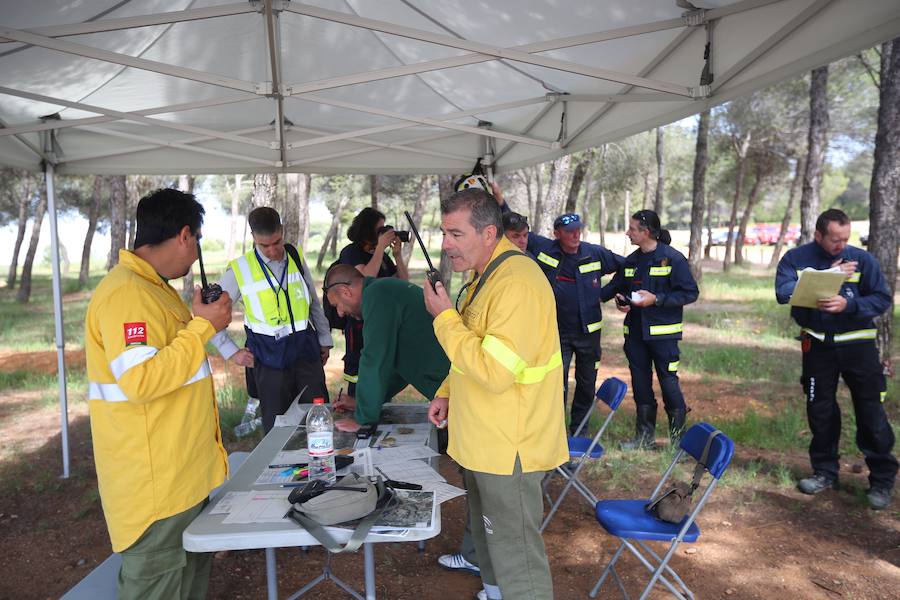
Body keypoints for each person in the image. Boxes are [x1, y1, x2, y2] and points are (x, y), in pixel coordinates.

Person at [85, 188, 231, 599]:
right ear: (185, 235)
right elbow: (142, 380)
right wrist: (202, 328)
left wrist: (199, 320)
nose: (196, 252)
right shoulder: (128, 293)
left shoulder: (154, 288)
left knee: (188, 586)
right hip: (155, 490)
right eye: (198, 240)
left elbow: (172, 360)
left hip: (181, 479)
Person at [424, 187, 568, 600]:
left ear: (489, 233)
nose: (446, 244)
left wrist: (443, 317)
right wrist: (447, 391)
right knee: (489, 541)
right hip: (482, 440)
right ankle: (493, 592)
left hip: (510, 446)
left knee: (516, 554)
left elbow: (494, 371)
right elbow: (475, 346)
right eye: (443, 233)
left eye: (455, 234)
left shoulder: (516, 282)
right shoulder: (484, 276)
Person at [775, 208, 895, 510]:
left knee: (871, 414)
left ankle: (881, 479)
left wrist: (848, 303)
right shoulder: (796, 259)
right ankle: (826, 472)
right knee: (820, 412)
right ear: (818, 235)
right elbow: (783, 291)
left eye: (845, 238)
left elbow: (881, 298)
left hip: (859, 347)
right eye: (834, 239)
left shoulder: (863, 260)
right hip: (818, 347)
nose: (841, 245)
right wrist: (828, 279)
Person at [212, 207, 332, 432]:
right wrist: (231, 351)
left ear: (282, 231)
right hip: (269, 358)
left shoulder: (294, 256)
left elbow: (312, 302)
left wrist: (324, 339)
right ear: (254, 239)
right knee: (278, 427)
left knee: (317, 417)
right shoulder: (240, 269)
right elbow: (209, 317)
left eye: (276, 242)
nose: (272, 250)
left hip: (305, 350)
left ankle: (321, 461)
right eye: (264, 245)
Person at [601, 210, 699, 450]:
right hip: (635, 336)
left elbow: (689, 293)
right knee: (641, 385)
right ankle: (644, 439)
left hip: (664, 338)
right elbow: (613, 288)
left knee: (669, 384)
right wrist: (620, 299)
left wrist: (656, 299)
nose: (628, 233)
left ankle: (679, 445)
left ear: (646, 232)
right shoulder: (631, 261)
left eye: (632, 229)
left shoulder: (672, 259)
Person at [322, 264, 450, 432]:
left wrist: (363, 420)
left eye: (337, 304)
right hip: (449, 389)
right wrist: (362, 404)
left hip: (455, 387)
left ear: (346, 292)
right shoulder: (382, 291)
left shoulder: (376, 295)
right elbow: (395, 368)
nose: (339, 312)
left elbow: (374, 358)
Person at [335, 207, 409, 401]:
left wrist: (398, 255)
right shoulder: (352, 253)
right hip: (360, 324)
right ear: (367, 230)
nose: (383, 233)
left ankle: (378, 409)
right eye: (380, 230)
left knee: (381, 369)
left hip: (381, 322)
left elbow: (402, 283)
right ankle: (357, 407)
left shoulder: (382, 256)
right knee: (361, 370)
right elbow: (364, 279)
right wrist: (378, 249)